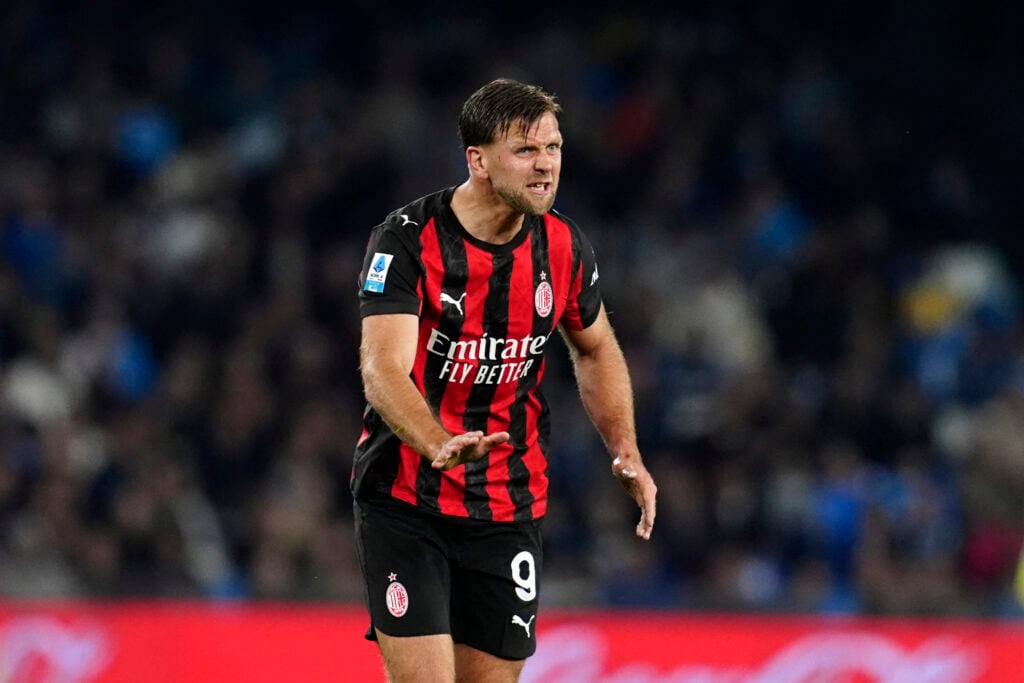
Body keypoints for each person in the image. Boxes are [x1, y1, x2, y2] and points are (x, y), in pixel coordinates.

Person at [353, 77, 657, 682]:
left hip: (508, 507)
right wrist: (437, 441)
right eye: (525, 151)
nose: (546, 165)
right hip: (407, 501)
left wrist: (625, 449)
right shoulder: (407, 239)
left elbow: (595, 349)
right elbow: (381, 369)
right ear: (478, 161)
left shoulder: (566, 248)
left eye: (554, 148)